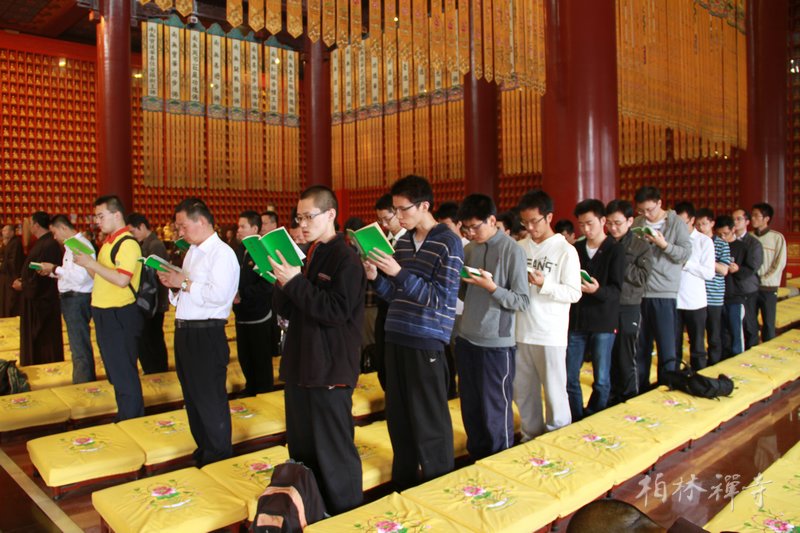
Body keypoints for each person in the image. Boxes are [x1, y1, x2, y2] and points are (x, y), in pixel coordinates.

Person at [270, 186, 365, 513]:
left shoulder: (346, 259)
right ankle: (312, 510)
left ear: (330, 215)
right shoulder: (309, 254)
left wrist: (295, 282)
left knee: (334, 454)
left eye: (309, 217)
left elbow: (336, 311)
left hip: (329, 371)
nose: (303, 224)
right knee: (302, 451)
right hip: (301, 366)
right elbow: (288, 310)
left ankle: (345, 516)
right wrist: (281, 281)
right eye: (299, 218)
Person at [365, 175, 464, 490]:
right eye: (394, 210)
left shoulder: (448, 242)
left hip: (426, 340)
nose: (398, 217)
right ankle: (404, 484)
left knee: (430, 421)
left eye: (403, 210)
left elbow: (440, 300)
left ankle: (438, 487)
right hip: (395, 335)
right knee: (399, 418)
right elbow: (396, 295)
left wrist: (397, 272)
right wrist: (376, 278)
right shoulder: (404, 242)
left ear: (424, 206)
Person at [157, 198, 239, 466]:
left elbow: (219, 296)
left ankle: (218, 457)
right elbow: (185, 294)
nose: (180, 232)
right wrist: (174, 285)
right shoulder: (193, 251)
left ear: (201, 221)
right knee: (192, 397)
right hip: (185, 331)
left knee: (209, 399)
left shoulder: (222, 253)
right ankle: (204, 451)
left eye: (183, 226)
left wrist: (184, 283)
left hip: (207, 333)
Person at [455, 194, 529, 459]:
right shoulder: (469, 250)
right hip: (466, 338)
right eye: (466, 228)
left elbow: (522, 300)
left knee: (496, 410)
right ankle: (476, 461)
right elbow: (464, 294)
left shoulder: (513, 250)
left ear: (492, 220)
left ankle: (501, 464)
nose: (471, 233)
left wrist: (492, 287)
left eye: (475, 227)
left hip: (496, 344)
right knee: (471, 408)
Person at [514, 190, 581, 441]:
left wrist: (545, 285)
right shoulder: (519, 247)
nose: (530, 228)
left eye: (535, 221)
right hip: (521, 330)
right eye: (525, 223)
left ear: (549, 217)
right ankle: (529, 436)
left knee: (554, 392)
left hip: (550, 333)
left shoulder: (565, 251)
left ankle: (557, 439)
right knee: (524, 391)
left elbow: (574, 292)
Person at [74, 196, 144, 420]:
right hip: (104, 312)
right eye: (96, 216)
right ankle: (125, 414)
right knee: (114, 370)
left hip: (119, 313)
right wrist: (87, 264)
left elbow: (122, 280)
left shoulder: (127, 243)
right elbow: (100, 277)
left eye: (101, 216)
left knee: (123, 371)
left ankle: (131, 419)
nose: (97, 221)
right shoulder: (108, 243)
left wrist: (91, 263)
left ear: (117, 215)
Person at [566, 199, 623, 421]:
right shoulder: (576, 249)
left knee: (601, 377)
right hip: (577, 319)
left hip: (603, 320)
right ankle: (577, 416)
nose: (586, 229)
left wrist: (597, 290)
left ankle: (594, 414)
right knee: (570, 375)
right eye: (581, 225)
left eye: (590, 223)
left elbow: (617, 290)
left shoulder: (615, 249)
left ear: (602, 221)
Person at [632, 187, 692, 390]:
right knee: (640, 346)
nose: (646, 214)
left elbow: (685, 254)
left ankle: (667, 388)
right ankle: (641, 389)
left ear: (659, 203)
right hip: (639, 291)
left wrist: (664, 244)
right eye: (641, 210)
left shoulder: (676, 223)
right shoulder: (638, 223)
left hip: (664, 292)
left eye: (649, 209)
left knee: (667, 347)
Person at [37, 215, 95, 383]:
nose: (54, 237)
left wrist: (55, 268)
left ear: (63, 228)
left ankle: (83, 383)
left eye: (55, 232)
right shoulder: (71, 245)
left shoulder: (79, 244)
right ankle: (82, 381)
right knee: (77, 344)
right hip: (73, 298)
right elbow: (71, 275)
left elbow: (82, 277)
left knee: (79, 345)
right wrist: (52, 272)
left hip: (77, 299)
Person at [605, 200, 652, 403]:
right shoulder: (603, 243)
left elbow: (642, 277)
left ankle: (629, 396)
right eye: (609, 223)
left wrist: (620, 259)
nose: (613, 228)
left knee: (626, 355)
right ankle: (611, 396)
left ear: (630, 221)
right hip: (606, 305)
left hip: (628, 305)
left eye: (617, 223)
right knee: (607, 355)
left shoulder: (641, 246)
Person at [13, 212, 64, 366]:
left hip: (42, 301)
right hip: (37, 297)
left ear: (35, 225)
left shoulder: (49, 244)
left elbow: (43, 277)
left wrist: (24, 285)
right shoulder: (43, 242)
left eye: (29, 224)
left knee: (44, 340)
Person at [233, 210, 275, 396]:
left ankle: (264, 394)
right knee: (245, 357)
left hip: (259, 315)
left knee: (261, 360)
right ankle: (250, 389)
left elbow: (267, 285)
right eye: (238, 226)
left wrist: (242, 294)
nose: (239, 230)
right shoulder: (239, 250)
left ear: (255, 229)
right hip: (241, 314)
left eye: (243, 226)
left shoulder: (261, 250)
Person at [673, 202, 716, 370]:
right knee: (673, 345)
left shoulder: (704, 241)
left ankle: (698, 376)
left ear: (692, 220)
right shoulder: (671, 241)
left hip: (695, 302)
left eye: (682, 222)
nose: (678, 227)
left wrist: (687, 263)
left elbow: (709, 273)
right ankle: (674, 377)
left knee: (697, 345)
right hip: (674, 300)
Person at [128, 212, 170, 374]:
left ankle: (158, 370)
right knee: (149, 337)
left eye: (133, 231)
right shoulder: (146, 244)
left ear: (142, 226)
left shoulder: (155, 245)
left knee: (153, 337)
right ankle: (154, 369)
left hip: (154, 301)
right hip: (150, 300)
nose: (132, 235)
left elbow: (156, 275)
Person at [372, 193, 406, 389]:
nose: (384, 225)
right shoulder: (383, 241)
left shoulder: (410, 241)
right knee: (383, 362)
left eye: (387, 219)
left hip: (402, 310)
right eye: (380, 220)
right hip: (383, 308)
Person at [716, 215, 760, 358]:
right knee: (721, 331)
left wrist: (738, 270)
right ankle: (723, 357)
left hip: (736, 295)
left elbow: (751, 269)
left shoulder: (742, 247)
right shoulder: (713, 245)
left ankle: (737, 358)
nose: (723, 237)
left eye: (726, 234)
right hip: (718, 295)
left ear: (733, 229)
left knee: (736, 330)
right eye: (719, 234)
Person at [694, 209, 731, 366]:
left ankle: (714, 364)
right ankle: (699, 365)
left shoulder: (721, 243)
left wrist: (706, 260)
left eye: (704, 224)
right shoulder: (694, 242)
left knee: (714, 335)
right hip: (696, 296)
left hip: (714, 296)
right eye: (697, 224)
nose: (701, 227)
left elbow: (724, 270)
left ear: (712, 224)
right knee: (696, 335)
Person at [751, 202, 787, 342]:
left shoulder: (777, 238)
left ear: (766, 219)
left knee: (768, 324)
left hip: (768, 287)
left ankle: (767, 349)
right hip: (751, 287)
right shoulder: (749, 237)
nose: (752, 218)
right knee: (750, 322)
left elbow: (779, 263)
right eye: (752, 215)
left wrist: (763, 278)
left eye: (756, 215)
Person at [731, 208, 764, 349]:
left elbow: (753, 267)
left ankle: (751, 352)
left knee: (749, 325)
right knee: (732, 325)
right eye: (733, 219)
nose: (735, 222)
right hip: (731, 289)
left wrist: (737, 270)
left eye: (739, 219)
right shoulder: (727, 239)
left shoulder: (753, 243)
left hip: (747, 288)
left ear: (747, 222)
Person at [0, 224, 23, 317]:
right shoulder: (7, 243)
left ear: (12, 232)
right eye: (3, 230)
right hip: (5, 277)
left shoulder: (16, 243)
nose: (3, 232)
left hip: (11, 277)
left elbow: (13, 262)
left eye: (6, 230)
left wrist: (2, 266)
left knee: (10, 302)